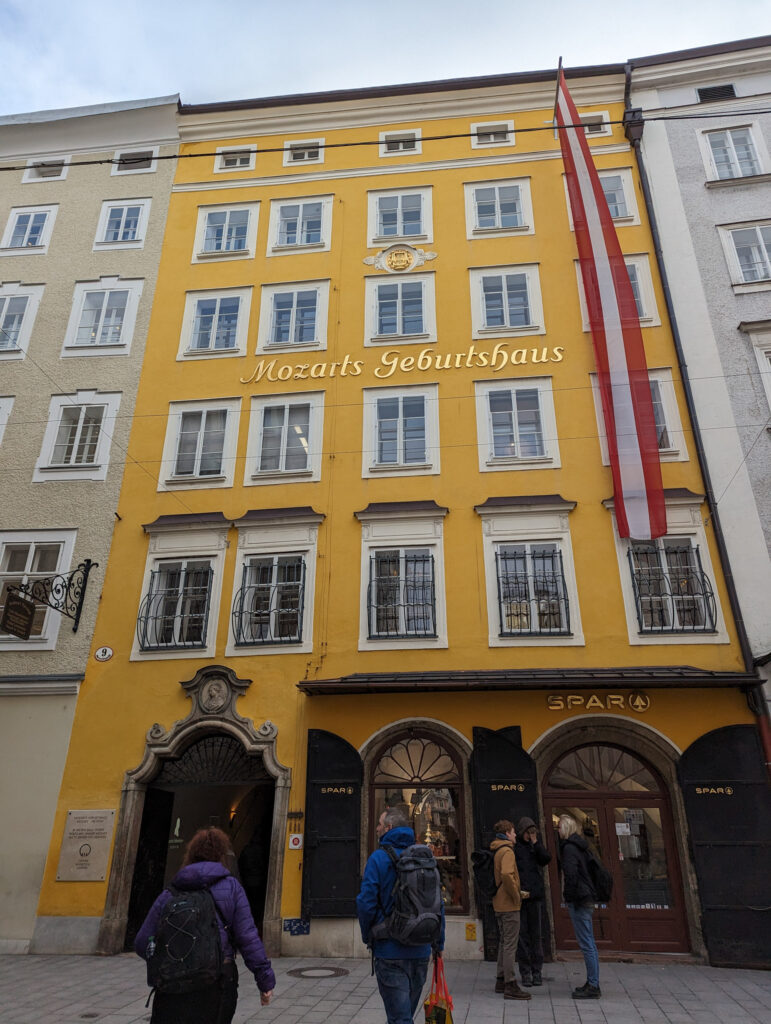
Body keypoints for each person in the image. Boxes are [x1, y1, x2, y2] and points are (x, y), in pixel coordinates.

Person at [135, 826, 275, 1023]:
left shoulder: (172, 891)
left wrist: (171, 962)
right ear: (221, 855)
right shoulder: (232, 887)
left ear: (191, 855)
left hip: (173, 987)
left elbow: (142, 943)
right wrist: (265, 980)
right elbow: (248, 937)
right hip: (217, 981)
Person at [356, 807, 445, 1024]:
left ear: (389, 828)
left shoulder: (378, 858)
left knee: (399, 1019)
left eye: (379, 824)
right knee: (402, 1017)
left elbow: (366, 902)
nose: (376, 828)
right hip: (421, 949)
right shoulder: (425, 857)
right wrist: (438, 945)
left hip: (390, 950)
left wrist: (370, 935)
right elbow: (437, 904)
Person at [558, 814, 601, 999]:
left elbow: (571, 874)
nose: (558, 830)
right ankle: (592, 982)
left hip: (580, 898)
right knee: (589, 941)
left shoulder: (569, 849)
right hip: (587, 895)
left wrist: (568, 896)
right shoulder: (581, 847)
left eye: (559, 827)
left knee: (586, 943)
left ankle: (593, 985)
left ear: (566, 829)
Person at [490, 819, 531, 1001]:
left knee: (503, 941)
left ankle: (500, 979)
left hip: (498, 902)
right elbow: (507, 874)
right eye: (513, 832)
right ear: (507, 833)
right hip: (508, 903)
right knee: (510, 944)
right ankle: (510, 983)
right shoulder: (507, 851)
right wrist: (516, 895)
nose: (515, 835)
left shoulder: (496, 849)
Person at [514, 816, 552, 987]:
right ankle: (525, 971)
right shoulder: (515, 847)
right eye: (528, 833)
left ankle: (537, 971)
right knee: (522, 935)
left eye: (532, 832)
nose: (530, 835)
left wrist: (536, 843)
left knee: (536, 934)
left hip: (535, 895)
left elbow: (545, 859)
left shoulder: (535, 846)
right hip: (521, 896)